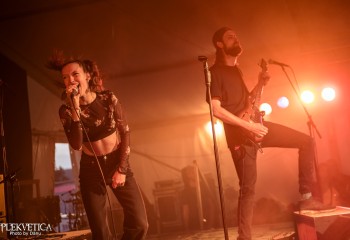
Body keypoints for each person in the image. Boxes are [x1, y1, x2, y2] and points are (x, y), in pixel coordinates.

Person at [208, 27, 334, 240]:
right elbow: (216, 109)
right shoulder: (215, 72)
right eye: (230, 37)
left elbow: (247, 102)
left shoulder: (236, 70)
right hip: (240, 136)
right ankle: (244, 237)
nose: (236, 38)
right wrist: (250, 127)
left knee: (306, 141)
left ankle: (306, 196)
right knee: (248, 189)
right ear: (220, 44)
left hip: (257, 126)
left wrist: (260, 83)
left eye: (237, 35)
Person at [47, 52, 148, 240]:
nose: (70, 80)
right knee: (100, 232)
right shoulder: (66, 111)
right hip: (91, 169)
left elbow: (125, 131)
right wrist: (75, 108)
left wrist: (122, 169)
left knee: (140, 222)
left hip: (117, 161)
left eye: (75, 74)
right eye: (65, 77)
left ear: (87, 75)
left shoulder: (108, 99)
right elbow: (76, 145)